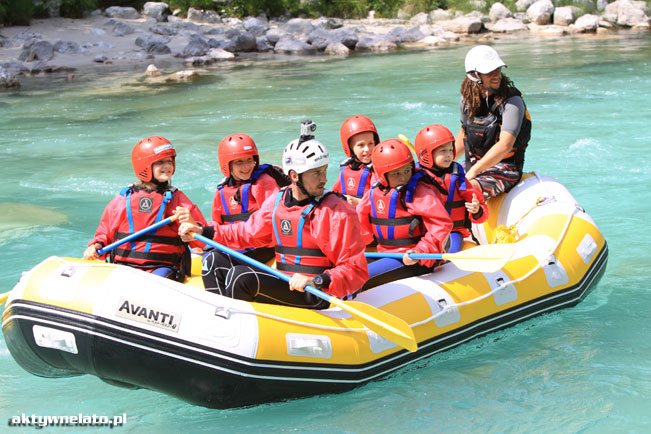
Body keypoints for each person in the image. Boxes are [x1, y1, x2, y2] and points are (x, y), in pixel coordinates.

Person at [179, 122, 369, 308]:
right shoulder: (278, 201)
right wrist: (203, 231)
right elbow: (247, 233)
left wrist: (316, 280)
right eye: (316, 173)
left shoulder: (338, 211)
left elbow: (355, 269)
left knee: (242, 278)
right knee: (215, 260)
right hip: (287, 282)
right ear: (294, 175)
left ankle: (234, 327)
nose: (324, 179)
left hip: (318, 291)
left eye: (324, 170)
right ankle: (220, 320)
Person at [84, 136, 207, 281]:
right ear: (145, 165)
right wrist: (96, 245)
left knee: (155, 282)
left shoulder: (177, 199)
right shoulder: (124, 198)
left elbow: (201, 243)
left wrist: (192, 224)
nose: (167, 166)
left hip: (161, 268)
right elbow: (105, 231)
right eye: (160, 162)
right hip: (125, 266)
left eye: (169, 161)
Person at [356, 139, 453, 290]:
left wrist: (421, 251)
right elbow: (361, 226)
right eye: (396, 174)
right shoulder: (373, 193)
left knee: (358, 278)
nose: (403, 177)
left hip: (414, 258)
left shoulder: (420, 193)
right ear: (382, 175)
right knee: (347, 271)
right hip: (384, 252)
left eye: (407, 170)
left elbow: (441, 225)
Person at [455, 45, 532, 200]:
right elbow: (464, 134)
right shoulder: (467, 101)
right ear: (473, 75)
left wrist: (474, 172)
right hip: (474, 163)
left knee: (465, 189)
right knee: (440, 184)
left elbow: (505, 145)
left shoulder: (512, 102)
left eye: (498, 69)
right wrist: (439, 165)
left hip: (506, 168)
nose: (496, 75)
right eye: (489, 71)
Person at [207, 133, 290, 262]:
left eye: (249, 160)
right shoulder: (222, 190)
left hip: (261, 247)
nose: (246, 166)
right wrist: (204, 232)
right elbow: (216, 221)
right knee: (209, 258)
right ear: (227, 165)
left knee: (214, 260)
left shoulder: (264, 182)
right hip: (234, 244)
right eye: (239, 162)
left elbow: (268, 222)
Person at [415, 124, 488, 253]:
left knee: (452, 249)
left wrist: (477, 210)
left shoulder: (457, 176)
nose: (449, 154)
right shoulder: (417, 177)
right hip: (426, 232)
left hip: (453, 231)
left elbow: (477, 201)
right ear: (426, 153)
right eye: (443, 151)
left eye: (450, 150)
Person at [331, 115, 380, 207]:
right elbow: (333, 193)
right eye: (361, 145)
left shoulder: (377, 171)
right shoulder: (346, 168)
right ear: (350, 147)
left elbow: (381, 201)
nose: (367, 149)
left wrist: (358, 202)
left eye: (371, 143)